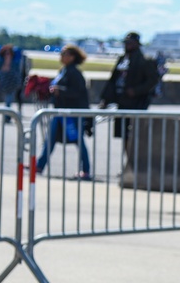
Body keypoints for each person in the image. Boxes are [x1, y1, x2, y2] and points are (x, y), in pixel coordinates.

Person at [36, 44, 93, 180]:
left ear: (72, 57)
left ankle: (86, 170)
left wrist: (59, 90)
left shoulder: (75, 73)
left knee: (79, 141)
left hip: (71, 114)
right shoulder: (64, 70)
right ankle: (39, 166)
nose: (61, 56)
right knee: (50, 140)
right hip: (61, 113)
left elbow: (77, 93)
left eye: (64, 54)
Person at [100, 32, 161, 138]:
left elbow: (153, 80)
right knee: (123, 134)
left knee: (133, 134)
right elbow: (113, 80)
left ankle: (134, 154)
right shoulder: (122, 59)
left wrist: (136, 91)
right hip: (121, 100)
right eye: (126, 42)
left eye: (131, 43)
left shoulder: (145, 60)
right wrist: (106, 99)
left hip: (136, 102)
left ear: (137, 44)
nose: (128, 45)